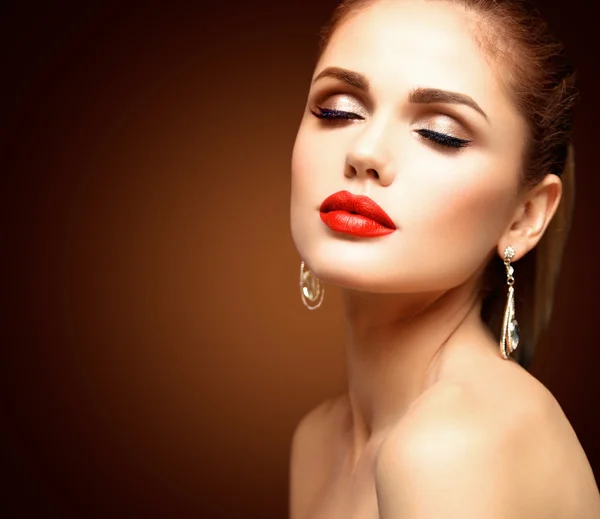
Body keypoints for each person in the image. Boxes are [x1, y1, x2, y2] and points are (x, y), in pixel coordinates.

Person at [288, 0, 600, 517]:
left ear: (524, 217)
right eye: (338, 109)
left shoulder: (453, 447)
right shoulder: (317, 442)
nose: (365, 151)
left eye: (440, 133)